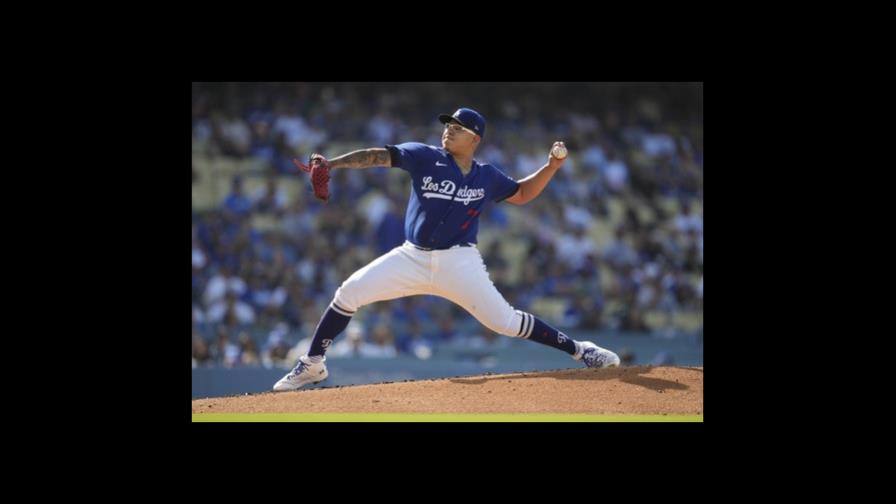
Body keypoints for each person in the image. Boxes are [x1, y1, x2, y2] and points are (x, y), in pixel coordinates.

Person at [273, 107, 620, 391]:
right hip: (412, 256)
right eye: (448, 125)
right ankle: (313, 364)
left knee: (506, 322)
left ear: (475, 138)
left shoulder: (486, 175)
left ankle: (581, 351)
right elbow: (378, 156)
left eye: (458, 127)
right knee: (348, 292)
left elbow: (523, 194)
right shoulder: (424, 157)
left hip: (460, 261)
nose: (449, 130)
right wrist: (333, 164)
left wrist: (552, 167)